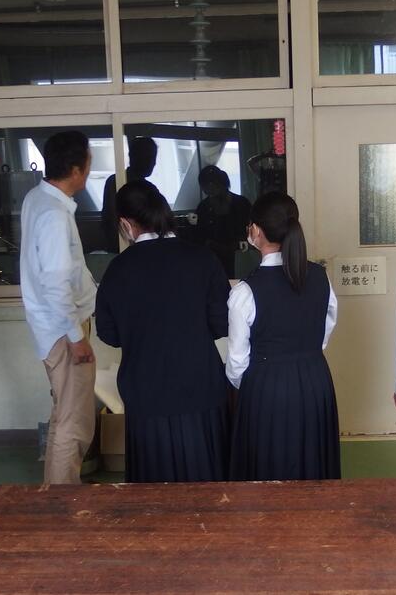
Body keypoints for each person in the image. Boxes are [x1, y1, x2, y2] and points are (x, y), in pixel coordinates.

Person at [95, 179, 231, 483]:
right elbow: (222, 323)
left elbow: (109, 333)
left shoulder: (118, 269)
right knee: (206, 481)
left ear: (125, 223)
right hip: (200, 385)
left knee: (153, 487)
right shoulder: (202, 259)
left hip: (145, 391)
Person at [227, 191, 340, 481]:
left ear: (256, 231)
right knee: (312, 460)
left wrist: (253, 385)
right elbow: (326, 327)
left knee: (269, 466)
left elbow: (237, 363)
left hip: (266, 387)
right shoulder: (320, 276)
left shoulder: (245, 292)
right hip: (315, 379)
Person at [20, 130, 97, 485]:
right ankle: (64, 501)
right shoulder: (53, 214)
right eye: (88, 162)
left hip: (54, 328)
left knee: (64, 415)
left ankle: (56, 492)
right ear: (77, 169)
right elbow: (55, 282)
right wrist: (75, 337)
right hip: (63, 333)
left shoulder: (38, 198)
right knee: (73, 421)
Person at [101, 137, 158, 253]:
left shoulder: (114, 181)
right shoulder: (117, 182)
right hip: (128, 249)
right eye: (149, 157)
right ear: (133, 157)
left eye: (153, 158)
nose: (153, 163)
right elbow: (111, 219)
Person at [194, 165, 252, 277]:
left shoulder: (242, 204)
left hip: (241, 257)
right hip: (213, 260)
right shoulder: (203, 207)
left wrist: (237, 244)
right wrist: (214, 246)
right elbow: (199, 236)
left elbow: (252, 230)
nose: (210, 189)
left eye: (213, 184)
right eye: (207, 187)